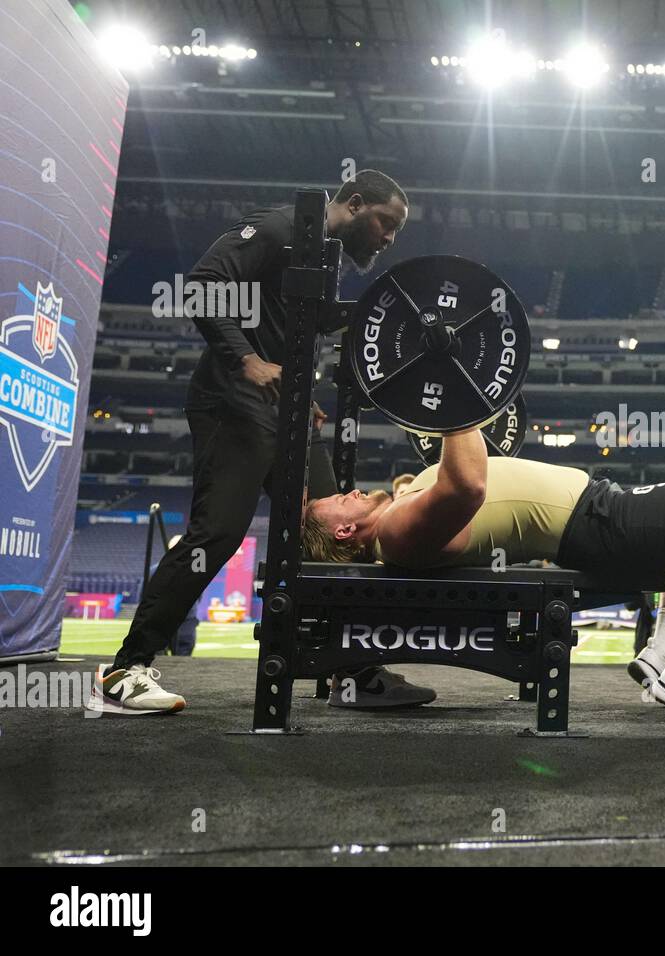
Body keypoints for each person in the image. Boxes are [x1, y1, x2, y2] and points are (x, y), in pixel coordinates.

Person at [91, 171, 435, 715]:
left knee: (336, 536)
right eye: (385, 224)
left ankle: (353, 672)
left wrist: (363, 326)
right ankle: (124, 671)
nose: (389, 239)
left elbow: (302, 326)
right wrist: (247, 361)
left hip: (288, 413)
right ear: (355, 202)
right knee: (218, 533)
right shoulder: (280, 228)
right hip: (232, 402)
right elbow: (203, 284)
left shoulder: (325, 257)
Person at [301, 428, 665, 730]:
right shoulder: (395, 534)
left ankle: (662, 657)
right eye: (341, 500)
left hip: (596, 509)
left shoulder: (397, 517)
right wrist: (454, 402)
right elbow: (467, 484)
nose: (351, 490)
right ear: (344, 531)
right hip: (594, 522)